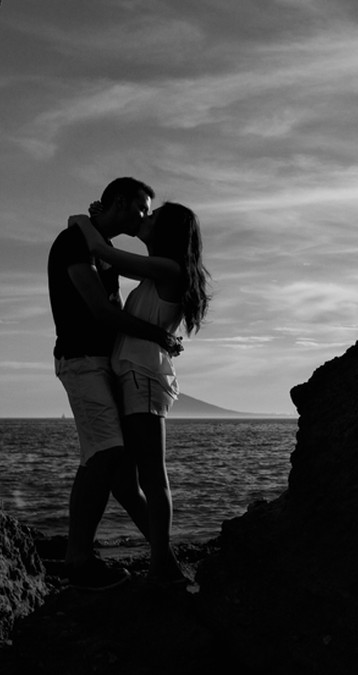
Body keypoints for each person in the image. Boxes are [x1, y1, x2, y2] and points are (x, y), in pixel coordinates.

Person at [48, 177, 183, 590]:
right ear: (121, 202)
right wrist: (156, 334)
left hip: (107, 365)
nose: (145, 216)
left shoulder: (99, 248)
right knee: (106, 455)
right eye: (143, 207)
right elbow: (98, 309)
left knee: (112, 464)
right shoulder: (74, 243)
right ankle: (79, 560)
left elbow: (109, 277)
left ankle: (163, 560)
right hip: (81, 360)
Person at [68, 201, 210, 585]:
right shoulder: (157, 275)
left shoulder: (168, 270)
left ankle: (162, 566)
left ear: (167, 233)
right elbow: (111, 264)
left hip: (143, 377)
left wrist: (81, 221)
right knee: (123, 481)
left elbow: (101, 252)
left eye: (152, 218)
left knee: (151, 476)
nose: (144, 220)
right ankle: (165, 560)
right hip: (132, 375)